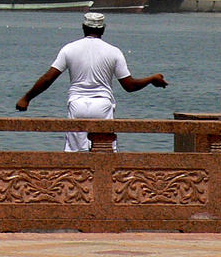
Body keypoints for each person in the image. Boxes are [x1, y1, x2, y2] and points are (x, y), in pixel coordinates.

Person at [15, 10, 168, 151]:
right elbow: (130, 86)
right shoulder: (114, 52)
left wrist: (26, 98)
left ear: (83, 28)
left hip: (77, 105)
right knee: (104, 153)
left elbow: (48, 78)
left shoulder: (69, 49)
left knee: (76, 155)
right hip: (103, 105)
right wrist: (151, 79)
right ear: (103, 29)